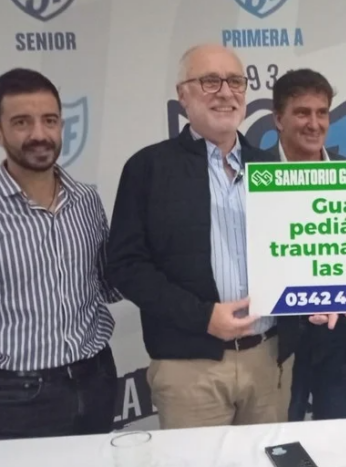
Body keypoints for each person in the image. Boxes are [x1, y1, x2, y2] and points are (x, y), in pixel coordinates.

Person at [106, 44, 299, 429]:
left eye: (235, 82)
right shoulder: (148, 168)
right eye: (210, 81)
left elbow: (298, 254)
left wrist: (321, 294)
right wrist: (203, 317)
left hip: (269, 359)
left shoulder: (272, 169)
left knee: (265, 457)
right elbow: (126, 267)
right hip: (189, 369)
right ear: (183, 95)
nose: (226, 92)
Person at [0, 68, 121, 439]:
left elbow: (109, 286)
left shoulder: (86, 200)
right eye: (22, 122)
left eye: (49, 120)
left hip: (96, 378)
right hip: (16, 395)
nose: (39, 134)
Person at [270, 68, 346, 421]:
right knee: (277, 441)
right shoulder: (251, 174)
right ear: (278, 119)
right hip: (276, 343)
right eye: (302, 113)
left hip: (341, 340)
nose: (314, 124)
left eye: (322, 113)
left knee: (339, 443)